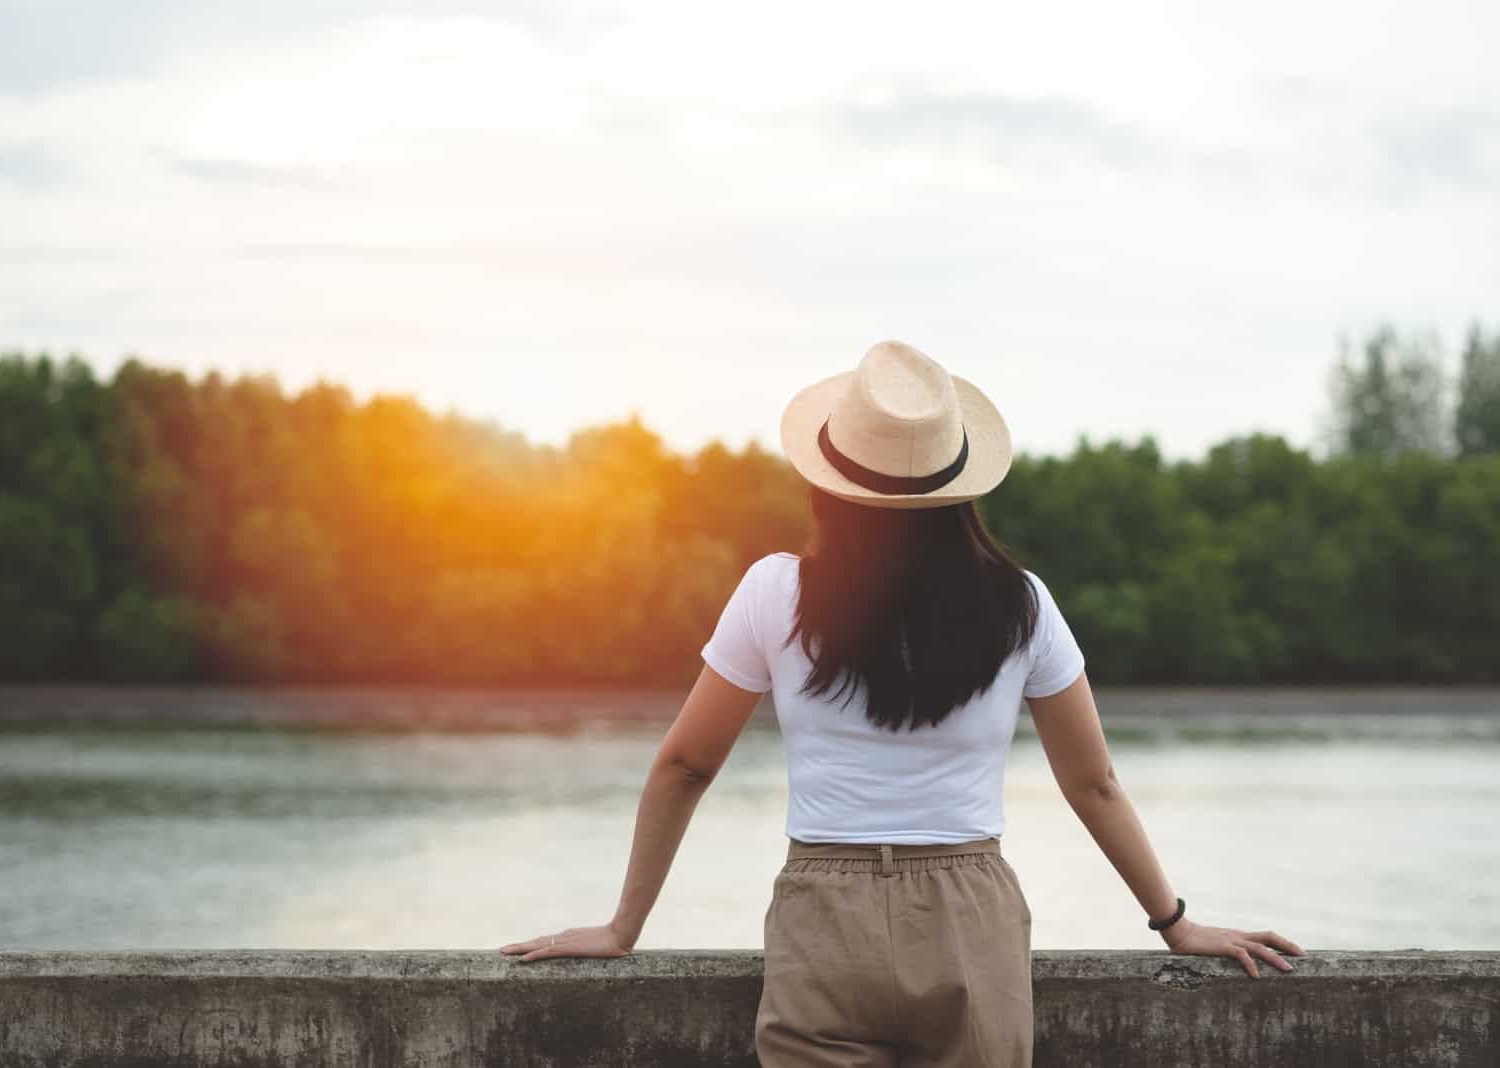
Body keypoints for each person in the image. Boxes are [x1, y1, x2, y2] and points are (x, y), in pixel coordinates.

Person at [500, 340, 1305, 1066]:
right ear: (958, 484)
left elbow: (686, 764)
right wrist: (1176, 922)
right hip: (970, 917)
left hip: (823, 916)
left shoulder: (775, 593)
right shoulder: (1020, 604)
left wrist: (622, 928)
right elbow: (1093, 783)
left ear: (829, 481)